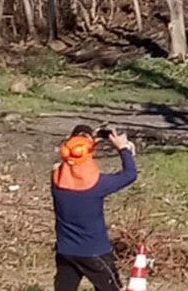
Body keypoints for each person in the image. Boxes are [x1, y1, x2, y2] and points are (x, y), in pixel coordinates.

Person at [51, 124, 138, 291]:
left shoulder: (56, 180)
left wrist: (90, 140)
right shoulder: (98, 185)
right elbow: (130, 174)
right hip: (95, 252)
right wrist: (122, 148)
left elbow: (71, 158)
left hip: (65, 251)